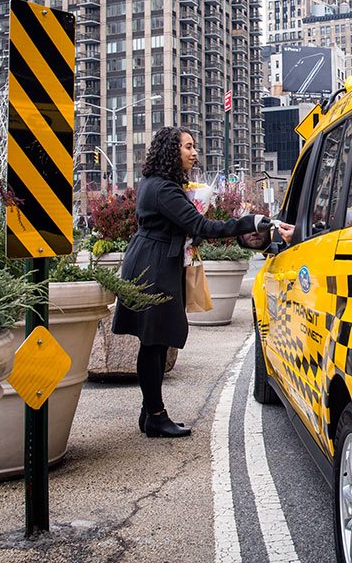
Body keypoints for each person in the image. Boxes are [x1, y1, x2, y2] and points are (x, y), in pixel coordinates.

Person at [111, 126, 272, 439]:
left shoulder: (155, 184)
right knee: (155, 340)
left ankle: (150, 411)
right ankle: (156, 415)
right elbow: (199, 223)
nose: (194, 152)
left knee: (155, 342)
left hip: (150, 258)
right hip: (155, 264)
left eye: (194, 146)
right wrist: (247, 223)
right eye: (187, 147)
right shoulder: (164, 189)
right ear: (172, 151)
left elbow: (184, 225)